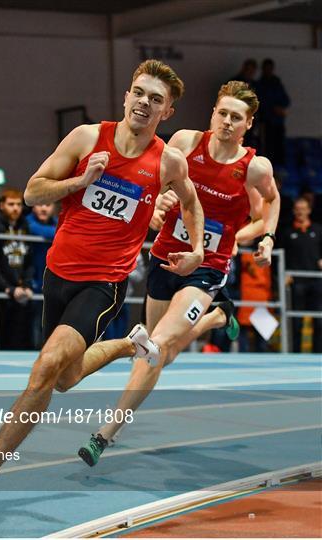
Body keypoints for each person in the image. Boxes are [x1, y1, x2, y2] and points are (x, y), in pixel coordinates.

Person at [0, 59, 205, 502]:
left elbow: (193, 205)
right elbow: (32, 191)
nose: (144, 102)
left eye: (156, 99)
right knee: (63, 380)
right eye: (139, 92)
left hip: (103, 284)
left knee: (44, 369)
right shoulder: (87, 137)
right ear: (126, 95)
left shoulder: (168, 161)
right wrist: (81, 180)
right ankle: (128, 344)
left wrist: (196, 250)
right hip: (57, 274)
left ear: (167, 112)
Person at [77, 80, 281, 466]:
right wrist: (158, 204)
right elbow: (156, 177)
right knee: (159, 354)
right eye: (222, 113)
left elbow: (271, 201)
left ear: (248, 123)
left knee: (156, 346)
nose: (226, 122)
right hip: (166, 258)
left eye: (236, 117)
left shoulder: (254, 167)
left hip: (206, 267)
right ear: (212, 114)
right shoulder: (187, 142)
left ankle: (105, 434)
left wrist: (264, 235)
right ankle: (217, 317)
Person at [0, 188, 34, 350]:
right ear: (1, 205)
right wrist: (7, 287)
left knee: (21, 337)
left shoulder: (25, 227)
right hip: (2, 293)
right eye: (11, 204)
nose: (15, 208)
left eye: (19, 204)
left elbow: (29, 260)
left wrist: (27, 284)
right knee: (1, 338)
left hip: (21, 291)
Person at [279, 197, 322, 353]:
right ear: (293, 211)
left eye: (303, 208)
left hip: (317, 281)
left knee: (319, 322)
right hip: (295, 282)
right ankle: (295, 355)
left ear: (309, 210)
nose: (300, 212)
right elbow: (279, 255)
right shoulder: (287, 232)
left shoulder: (318, 230)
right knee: (296, 322)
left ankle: (318, 355)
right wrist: (284, 274)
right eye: (297, 209)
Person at [26, 203, 58, 349]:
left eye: (47, 205)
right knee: (34, 322)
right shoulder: (26, 222)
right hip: (31, 282)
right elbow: (34, 228)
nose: (44, 208)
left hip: (54, 280)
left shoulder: (57, 221)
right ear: (33, 206)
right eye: (40, 204)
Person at [256, 59, 290, 166]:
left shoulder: (277, 82)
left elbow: (286, 100)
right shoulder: (259, 84)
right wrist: (273, 108)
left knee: (279, 147)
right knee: (267, 148)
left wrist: (280, 108)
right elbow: (260, 102)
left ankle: (280, 171)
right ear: (263, 69)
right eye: (267, 68)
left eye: (270, 68)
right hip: (266, 121)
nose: (269, 70)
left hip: (278, 121)